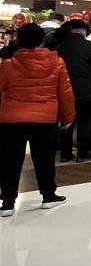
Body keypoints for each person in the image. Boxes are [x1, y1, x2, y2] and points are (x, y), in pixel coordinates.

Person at [0, 23, 75, 217]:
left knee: (10, 161)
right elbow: (65, 92)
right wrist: (68, 116)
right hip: (45, 118)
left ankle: (7, 203)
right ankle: (48, 196)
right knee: (44, 159)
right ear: (43, 40)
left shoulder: (8, 64)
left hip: (11, 119)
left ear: (19, 40)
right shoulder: (57, 62)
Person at [55, 19, 91, 163]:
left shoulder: (59, 46)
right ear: (84, 30)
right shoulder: (89, 45)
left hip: (65, 90)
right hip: (86, 91)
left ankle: (65, 154)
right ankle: (82, 154)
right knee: (85, 122)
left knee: (66, 122)